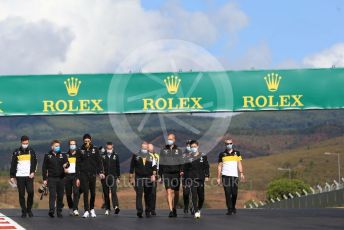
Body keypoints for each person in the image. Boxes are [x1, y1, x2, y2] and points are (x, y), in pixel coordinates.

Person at [10, 135, 37, 218]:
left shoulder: (31, 151)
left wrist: (33, 172)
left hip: (29, 176)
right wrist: (12, 176)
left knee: (31, 192)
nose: (26, 144)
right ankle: (24, 211)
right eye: (24, 143)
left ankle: (29, 209)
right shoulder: (16, 152)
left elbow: (35, 163)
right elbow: (13, 164)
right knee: (21, 194)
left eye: (27, 143)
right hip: (19, 176)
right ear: (21, 142)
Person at [78, 134, 105, 218]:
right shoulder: (80, 150)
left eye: (88, 141)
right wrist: (78, 176)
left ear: (91, 140)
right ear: (83, 141)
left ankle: (92, 209)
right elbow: (78, 164)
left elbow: (99, 161)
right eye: (85, 141)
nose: (87, 142)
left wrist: (100, 172)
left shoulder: (95, 149)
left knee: (93, 192)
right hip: (83, 174)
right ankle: (86, 210)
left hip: (93, 174)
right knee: (86, 192)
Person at [217, 139, 245, 215]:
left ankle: (233, 206)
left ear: (232, 144)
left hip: (234, 176)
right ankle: (229, 209)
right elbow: (219, 166)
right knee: (227, 192)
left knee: (234, 193)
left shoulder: (237, 153)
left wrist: (241, 173)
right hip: (225, 176)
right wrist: (218, 178)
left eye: (230, 143)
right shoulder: (222, 154)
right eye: (227, 144)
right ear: (225, 145)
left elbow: (239, 163)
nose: (229, 144)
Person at [129, 142, 157, 218]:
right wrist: (130, 177)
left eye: (145, 148)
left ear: (147, 148)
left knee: (148, 195)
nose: (144, 149)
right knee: (139, 194)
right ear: (141, 147)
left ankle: (148, 211)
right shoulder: (136, 155)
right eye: (143, 147)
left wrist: (154, 175)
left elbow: (154, 167)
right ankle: (139, 211)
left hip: (148, 178)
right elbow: (132, 167)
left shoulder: (152, 156)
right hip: (139, 178)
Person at [42, 140, 69, 218]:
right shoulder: (47, 155)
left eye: (58, 146)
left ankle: (59, 211)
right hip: (51, 178)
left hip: (61, 178)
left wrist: (66, 166)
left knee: (60, 196)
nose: (58, 147)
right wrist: (44, 179)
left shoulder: (63, 155)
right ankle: (51, 210)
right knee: (52, 195)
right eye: (56, 146)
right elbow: (44, 168)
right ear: (52, 147)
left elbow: (68, 163)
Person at [183, 140, 209, 219]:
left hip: (200, 179)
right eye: (192, 147)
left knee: (201, 197)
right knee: (194, 195)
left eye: (194, 147)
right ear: (190, 148)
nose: (193, 148)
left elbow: (206, 166)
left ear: (197, 146)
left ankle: (198, 208)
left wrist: (207, 175)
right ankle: (196, 211)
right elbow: (185, 169)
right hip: (191, 179)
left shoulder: (203, 156)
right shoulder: (188, 157)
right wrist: (185, 180)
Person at [159, 133, 183, 218]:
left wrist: (181, 171)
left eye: (171, 139)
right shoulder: (163, 150)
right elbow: (160, 163)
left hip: (176, 173)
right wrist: (160, 175)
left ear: (174, 140)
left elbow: (181, 162)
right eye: (168, 139)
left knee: (176, 192)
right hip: (167, 173)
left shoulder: (179, 150)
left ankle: (174, 207)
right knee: (169, 191)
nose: (169, 140)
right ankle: (170, 210)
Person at [101, 142, 120, 216]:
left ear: (112, 146)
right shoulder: (102, 155)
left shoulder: (116, 155)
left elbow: (118, 167)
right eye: (108, 146)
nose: (109, 147)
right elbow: (100, 165)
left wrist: (118, 177)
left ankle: (116, 206)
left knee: (113, 192)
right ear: (106, 146)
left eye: (110, 145)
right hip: (104, 177)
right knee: (106, 193)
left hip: (113, 177)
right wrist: (100, 173)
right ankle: (107, 209)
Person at [64, 139, 81, 216]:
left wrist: (78, 178)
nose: (72, 145)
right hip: (67, 176)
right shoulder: (66, 155)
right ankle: (71, 207)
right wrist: (64, 169)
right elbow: (63, 165)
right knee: (68, 193)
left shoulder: (79, 155)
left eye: (73, 144)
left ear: (76, 145)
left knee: (76, 192)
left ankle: (75, 209)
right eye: (71, 144)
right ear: (69, 145)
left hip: (75, 176)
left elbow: (80, 167)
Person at [148, 143, 159, 216]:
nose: (151, 149)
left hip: (155, 176)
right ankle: (148, 208)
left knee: (153, 193)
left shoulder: (157, 156)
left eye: (152, 147)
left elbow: (158, 166)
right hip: (147, 176)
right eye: (149, 148)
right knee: (147, 193)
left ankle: (153, 209)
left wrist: (158, 175)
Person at [182, 139, 192, 214]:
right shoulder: (183, 155)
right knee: (186, 193)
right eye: (188, 145)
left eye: (190, 145)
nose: (189, 146)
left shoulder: (197, 155)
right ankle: (186, 206)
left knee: (194, 193)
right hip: (185, 177)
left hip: (194, 177)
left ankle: (193, 207)